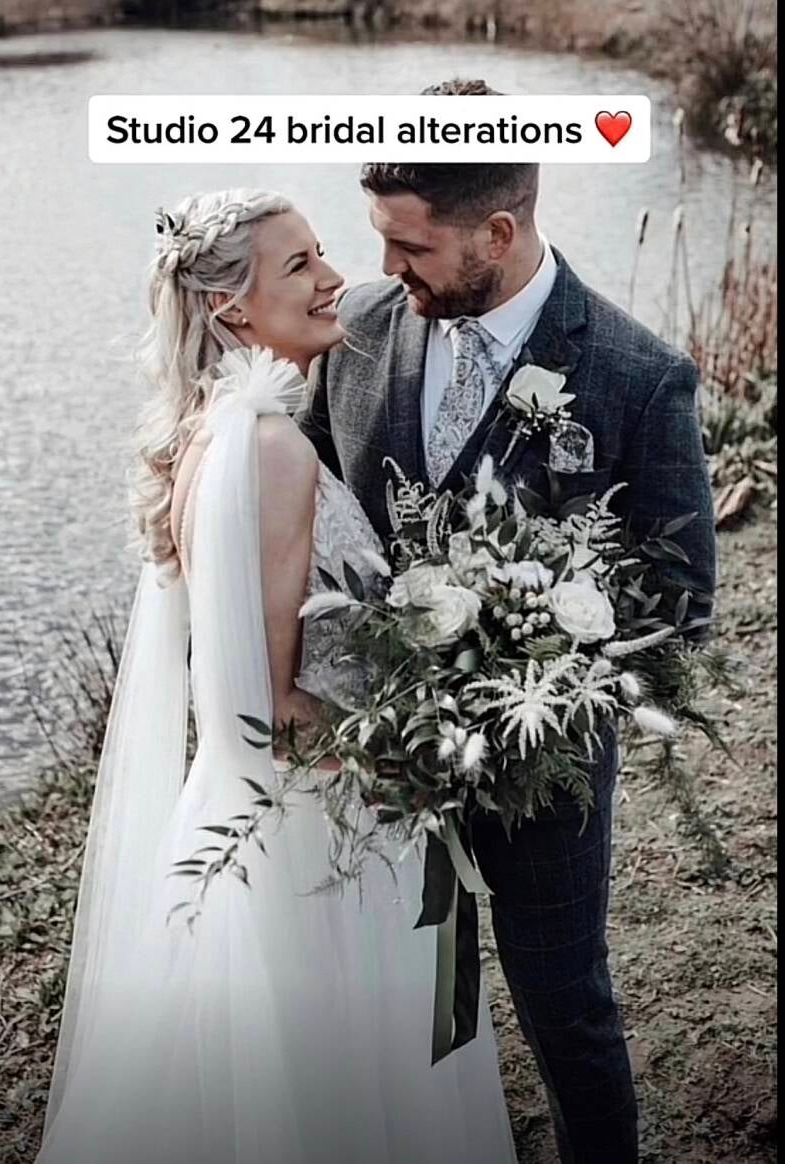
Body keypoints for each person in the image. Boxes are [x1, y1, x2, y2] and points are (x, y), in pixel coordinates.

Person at [37, 188, 518, 1164]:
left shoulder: (217, 433)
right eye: (299, 265)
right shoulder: (268, 451)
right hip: (315, 843)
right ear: (230, 307)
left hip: (248, 816)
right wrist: (423, 755)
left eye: (322, 253)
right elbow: (275, 710)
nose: (334, 278)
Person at [300, 79, 717, 1164]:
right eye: (378, 239)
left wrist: (533, 680)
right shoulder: (353, 330)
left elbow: (678, 612)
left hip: (543, 763)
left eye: (411, 247)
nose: (384, 268)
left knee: (561, 999)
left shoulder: (637, 376)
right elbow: (305, 504)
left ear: (496, 231)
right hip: (371, 759)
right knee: (379, 986)